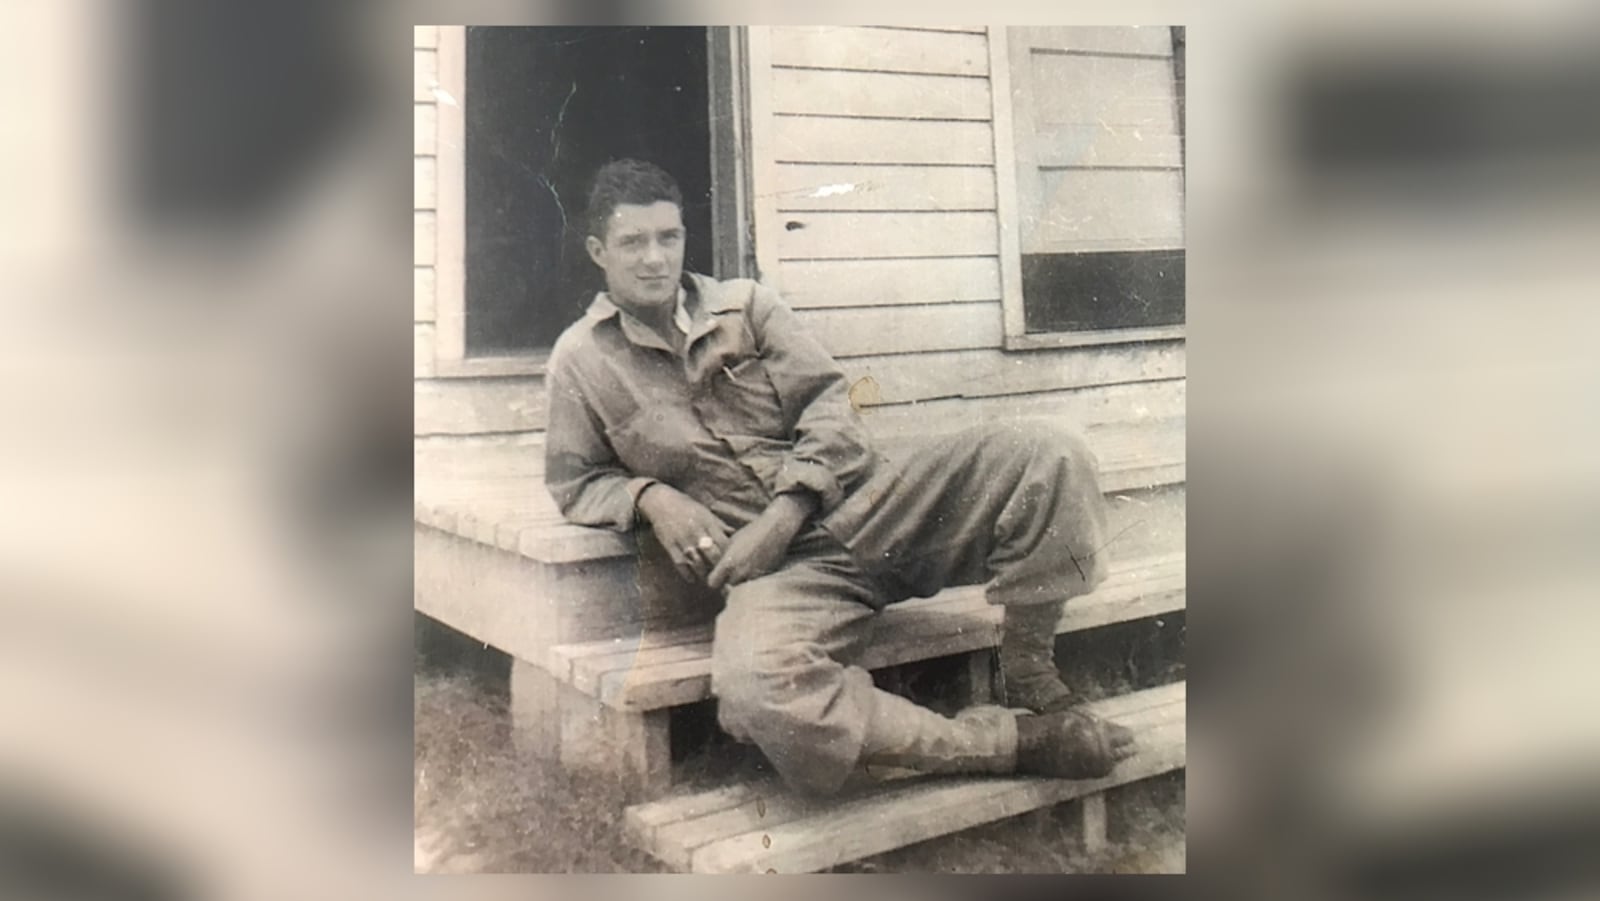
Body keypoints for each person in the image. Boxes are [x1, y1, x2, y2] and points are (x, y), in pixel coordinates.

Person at [545, 158, 1136, 797]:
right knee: (756, 688)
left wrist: (787, 510)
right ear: (598, 251)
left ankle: (1026, 663)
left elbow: (834, 408)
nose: (655, 259)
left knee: (1051, 450)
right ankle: (1007, 743)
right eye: (634, 242)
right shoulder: (580, 362)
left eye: (669, 237)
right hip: (783, 576)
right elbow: (576, 481)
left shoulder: (746, 307)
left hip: (876, 510)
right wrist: (648, 495)